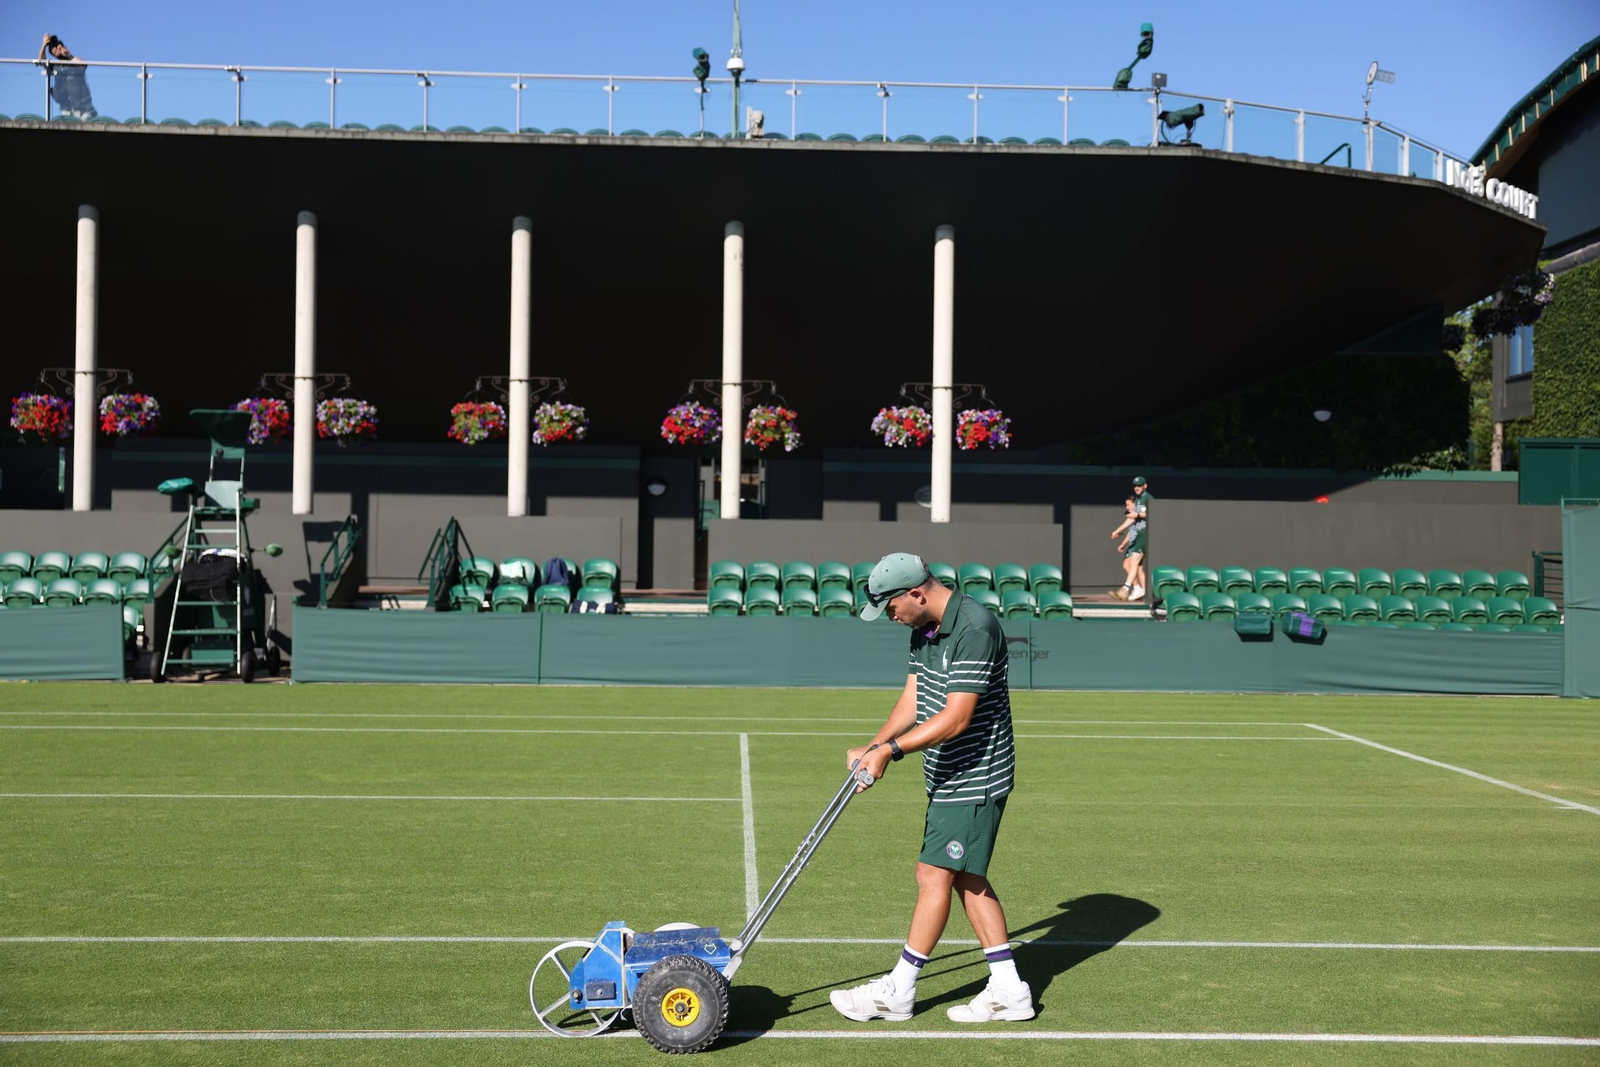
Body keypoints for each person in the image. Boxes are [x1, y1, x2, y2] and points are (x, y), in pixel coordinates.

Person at [828, 552, 1033, 1024]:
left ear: (916, 593)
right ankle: (1008, 988)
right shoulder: (926, 628)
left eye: (892, 608)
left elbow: (958, 717)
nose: (891, 618)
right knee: (966, 877)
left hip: (975, 775)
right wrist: (875, 745)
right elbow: (915, 696)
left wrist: (890, 752)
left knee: (933, 874)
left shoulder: (974, 627)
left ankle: (897, 990)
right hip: (948, 773)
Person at [1108, 475, 1150, 601]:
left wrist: (1137, 514)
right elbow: (1132, 519)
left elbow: (1152, 512)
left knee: (1135, 563)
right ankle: (1134, 589)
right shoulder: (1138, 499)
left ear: (1145, 485)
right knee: (1133, 564)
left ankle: (1129, 589)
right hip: (1140, 535)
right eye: (1135, 486)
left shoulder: (1147, 498)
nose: (1137, 488)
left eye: (1139, 485)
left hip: (1145, 534)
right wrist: (1117, 531)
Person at [37, 34, 97, 120]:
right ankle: (68, 110)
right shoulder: (57, 66)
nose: (57, 53)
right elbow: (41, 61)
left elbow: (83, 64)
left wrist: (67, 55)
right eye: (54, 53)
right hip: (69, 108)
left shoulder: (72, 61)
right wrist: (44, 45)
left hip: (84, 108)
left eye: (58, 50)